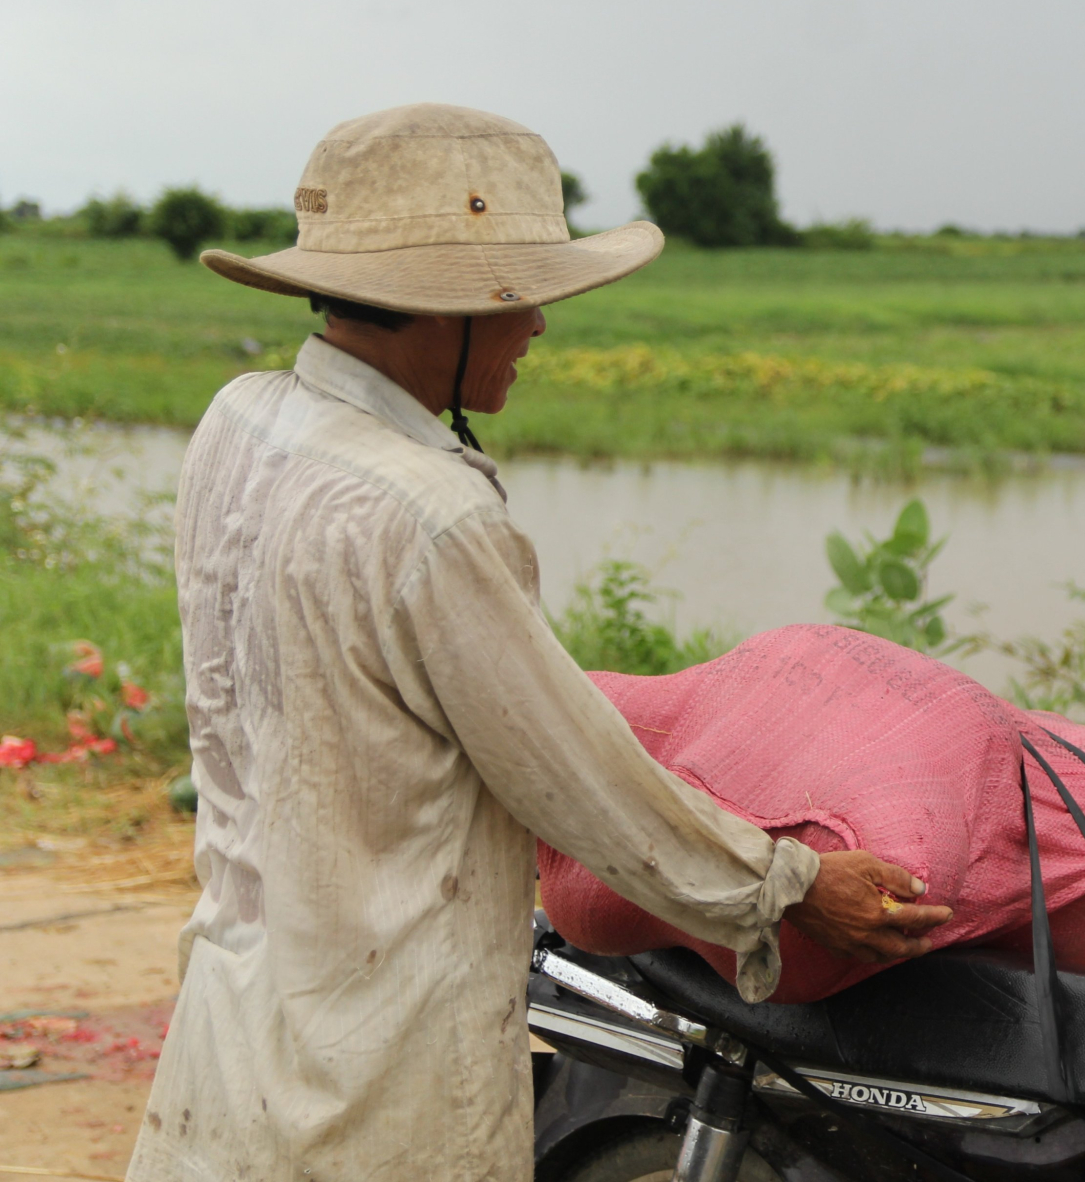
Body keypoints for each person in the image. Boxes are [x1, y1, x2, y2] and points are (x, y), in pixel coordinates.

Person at [127, 104, 950, 1182]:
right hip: (382, 1074)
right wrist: (788, 886)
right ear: (451, 310)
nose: (539, 330)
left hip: (236, 1021)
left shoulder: (241, 422)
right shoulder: (430, 513)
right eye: (524, 302)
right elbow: (578, 779)